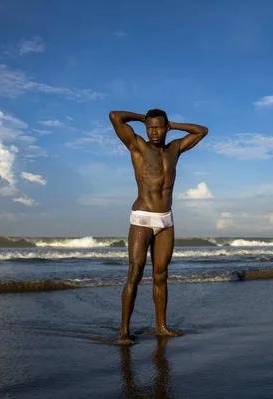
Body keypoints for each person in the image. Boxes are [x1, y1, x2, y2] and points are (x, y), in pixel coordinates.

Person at [109, 109, 209, 345]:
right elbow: (115, 116)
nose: (153, 131)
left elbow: (202, 131)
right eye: (150, 127)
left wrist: (174, 124)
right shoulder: (138, 147)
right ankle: (124, 330)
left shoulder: (175, 149)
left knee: (161, 275)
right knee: (134, 273)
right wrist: (142, 118)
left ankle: (161, 327)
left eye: (158, 127)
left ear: (165, 128)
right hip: (142, 217)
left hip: (166, 219)